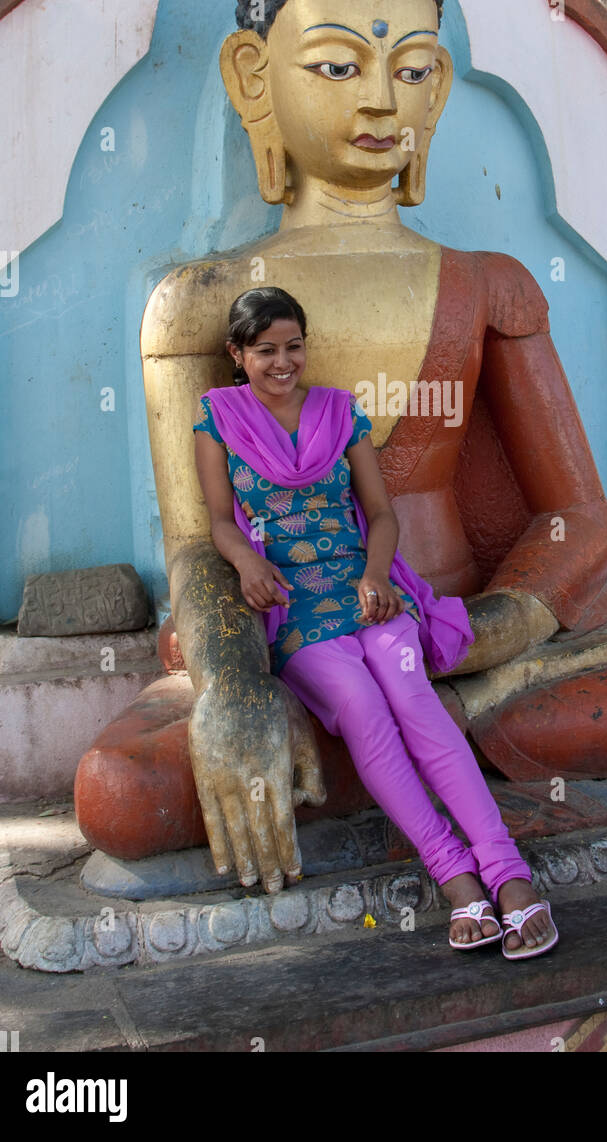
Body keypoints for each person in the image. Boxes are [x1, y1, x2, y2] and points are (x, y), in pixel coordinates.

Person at [193, 283, 558, 959]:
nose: (283, 363)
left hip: (367, 589)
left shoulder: (338, 411)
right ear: (236, 353)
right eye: (266, 350)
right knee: (361, 706)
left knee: (414, 698)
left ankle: (507, 875)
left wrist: (375, 577)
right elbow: (218, 519)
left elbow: (382, 514)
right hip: (292, 605)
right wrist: (246, 564)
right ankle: (454, 878)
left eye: (294, 347)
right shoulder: (217, 419)